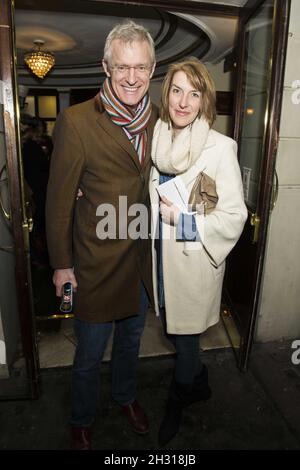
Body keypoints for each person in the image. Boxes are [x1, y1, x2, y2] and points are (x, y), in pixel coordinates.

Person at [46, 20, 157, 450]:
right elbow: (57, 203)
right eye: (123, 67)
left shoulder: (160, 119)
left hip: (140, 262)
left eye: (142, 67)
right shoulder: (76, 122)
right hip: (93, 264)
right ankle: (81, 419)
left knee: (131, 343)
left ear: (152, 69)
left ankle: (126, 396)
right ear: (106, 68)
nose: (132, 77)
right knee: (89, 355)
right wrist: (61, 266)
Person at [149, 57, 247, 446]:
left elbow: (234, 216)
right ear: (167, 94)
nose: (184, 102)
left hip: (193, 262)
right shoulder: (157, 139)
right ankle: (199, 381)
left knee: (186, 339)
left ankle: (180, 397)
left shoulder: (220, 148)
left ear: (205, 100)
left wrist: (184, 222)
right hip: (159, 258)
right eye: (177, 90)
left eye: (194, 92)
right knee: (174, 333)